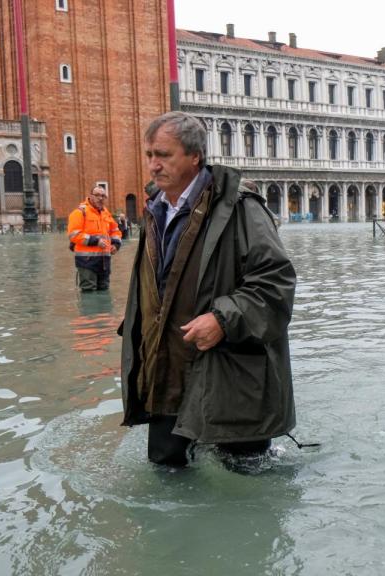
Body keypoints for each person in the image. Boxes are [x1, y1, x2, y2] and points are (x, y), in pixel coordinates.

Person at [118, 111, 297, 468]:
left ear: (194, 156)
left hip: (229, 375)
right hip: (165, 371)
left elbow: (276, 283)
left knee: (244, 482)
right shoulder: (154, 210)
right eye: (149, 155)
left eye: (163, 155)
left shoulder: (242, 209)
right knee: (167, 474)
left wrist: (222, 319)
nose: (153, 165)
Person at [67, 185, 121, 291]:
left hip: (104, 261)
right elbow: (74, 234)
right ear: (90, 196)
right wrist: (96, 241)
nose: (100, 198)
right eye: (97, 195)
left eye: (103, 196)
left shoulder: (106, 213)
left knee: (104, 290)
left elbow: (115, 231)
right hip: (86, 261)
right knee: (89, 291)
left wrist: (115, 244)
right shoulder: (80, 212)